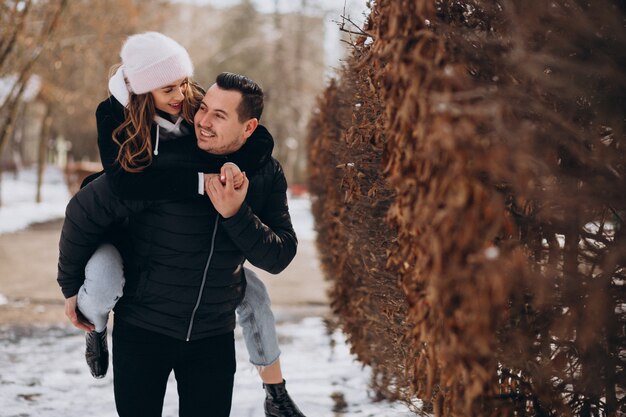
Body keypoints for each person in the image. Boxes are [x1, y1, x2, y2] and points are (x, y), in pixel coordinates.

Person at [59, 32, 305, 417]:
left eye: (217, 115)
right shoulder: (149, 163)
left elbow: (279, 255)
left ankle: (276, 391)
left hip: (212, 337)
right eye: (202, 109)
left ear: (249, 127)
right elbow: (87, 210)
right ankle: (97, 331)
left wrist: (236, 213)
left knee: (254, 293)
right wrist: (71, 287)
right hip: (142, 330)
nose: (201, 120)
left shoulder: (261, 172)